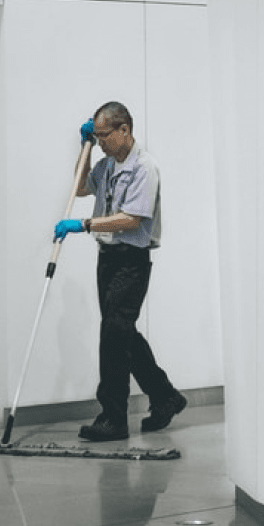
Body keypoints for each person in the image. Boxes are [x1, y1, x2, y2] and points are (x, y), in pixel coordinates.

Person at [54, 102, 187, 442]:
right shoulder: (106, 164)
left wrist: (83, 224)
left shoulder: (145, 168)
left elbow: (132, 219)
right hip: (108, 258)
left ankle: (113, 417)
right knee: (122, 334)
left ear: (124, 130)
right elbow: (81, 187)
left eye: (102, 136)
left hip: (131, 260)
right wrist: (82, 148)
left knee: (114, 335)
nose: (99, 143)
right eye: (95, 137)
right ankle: (165, 396)